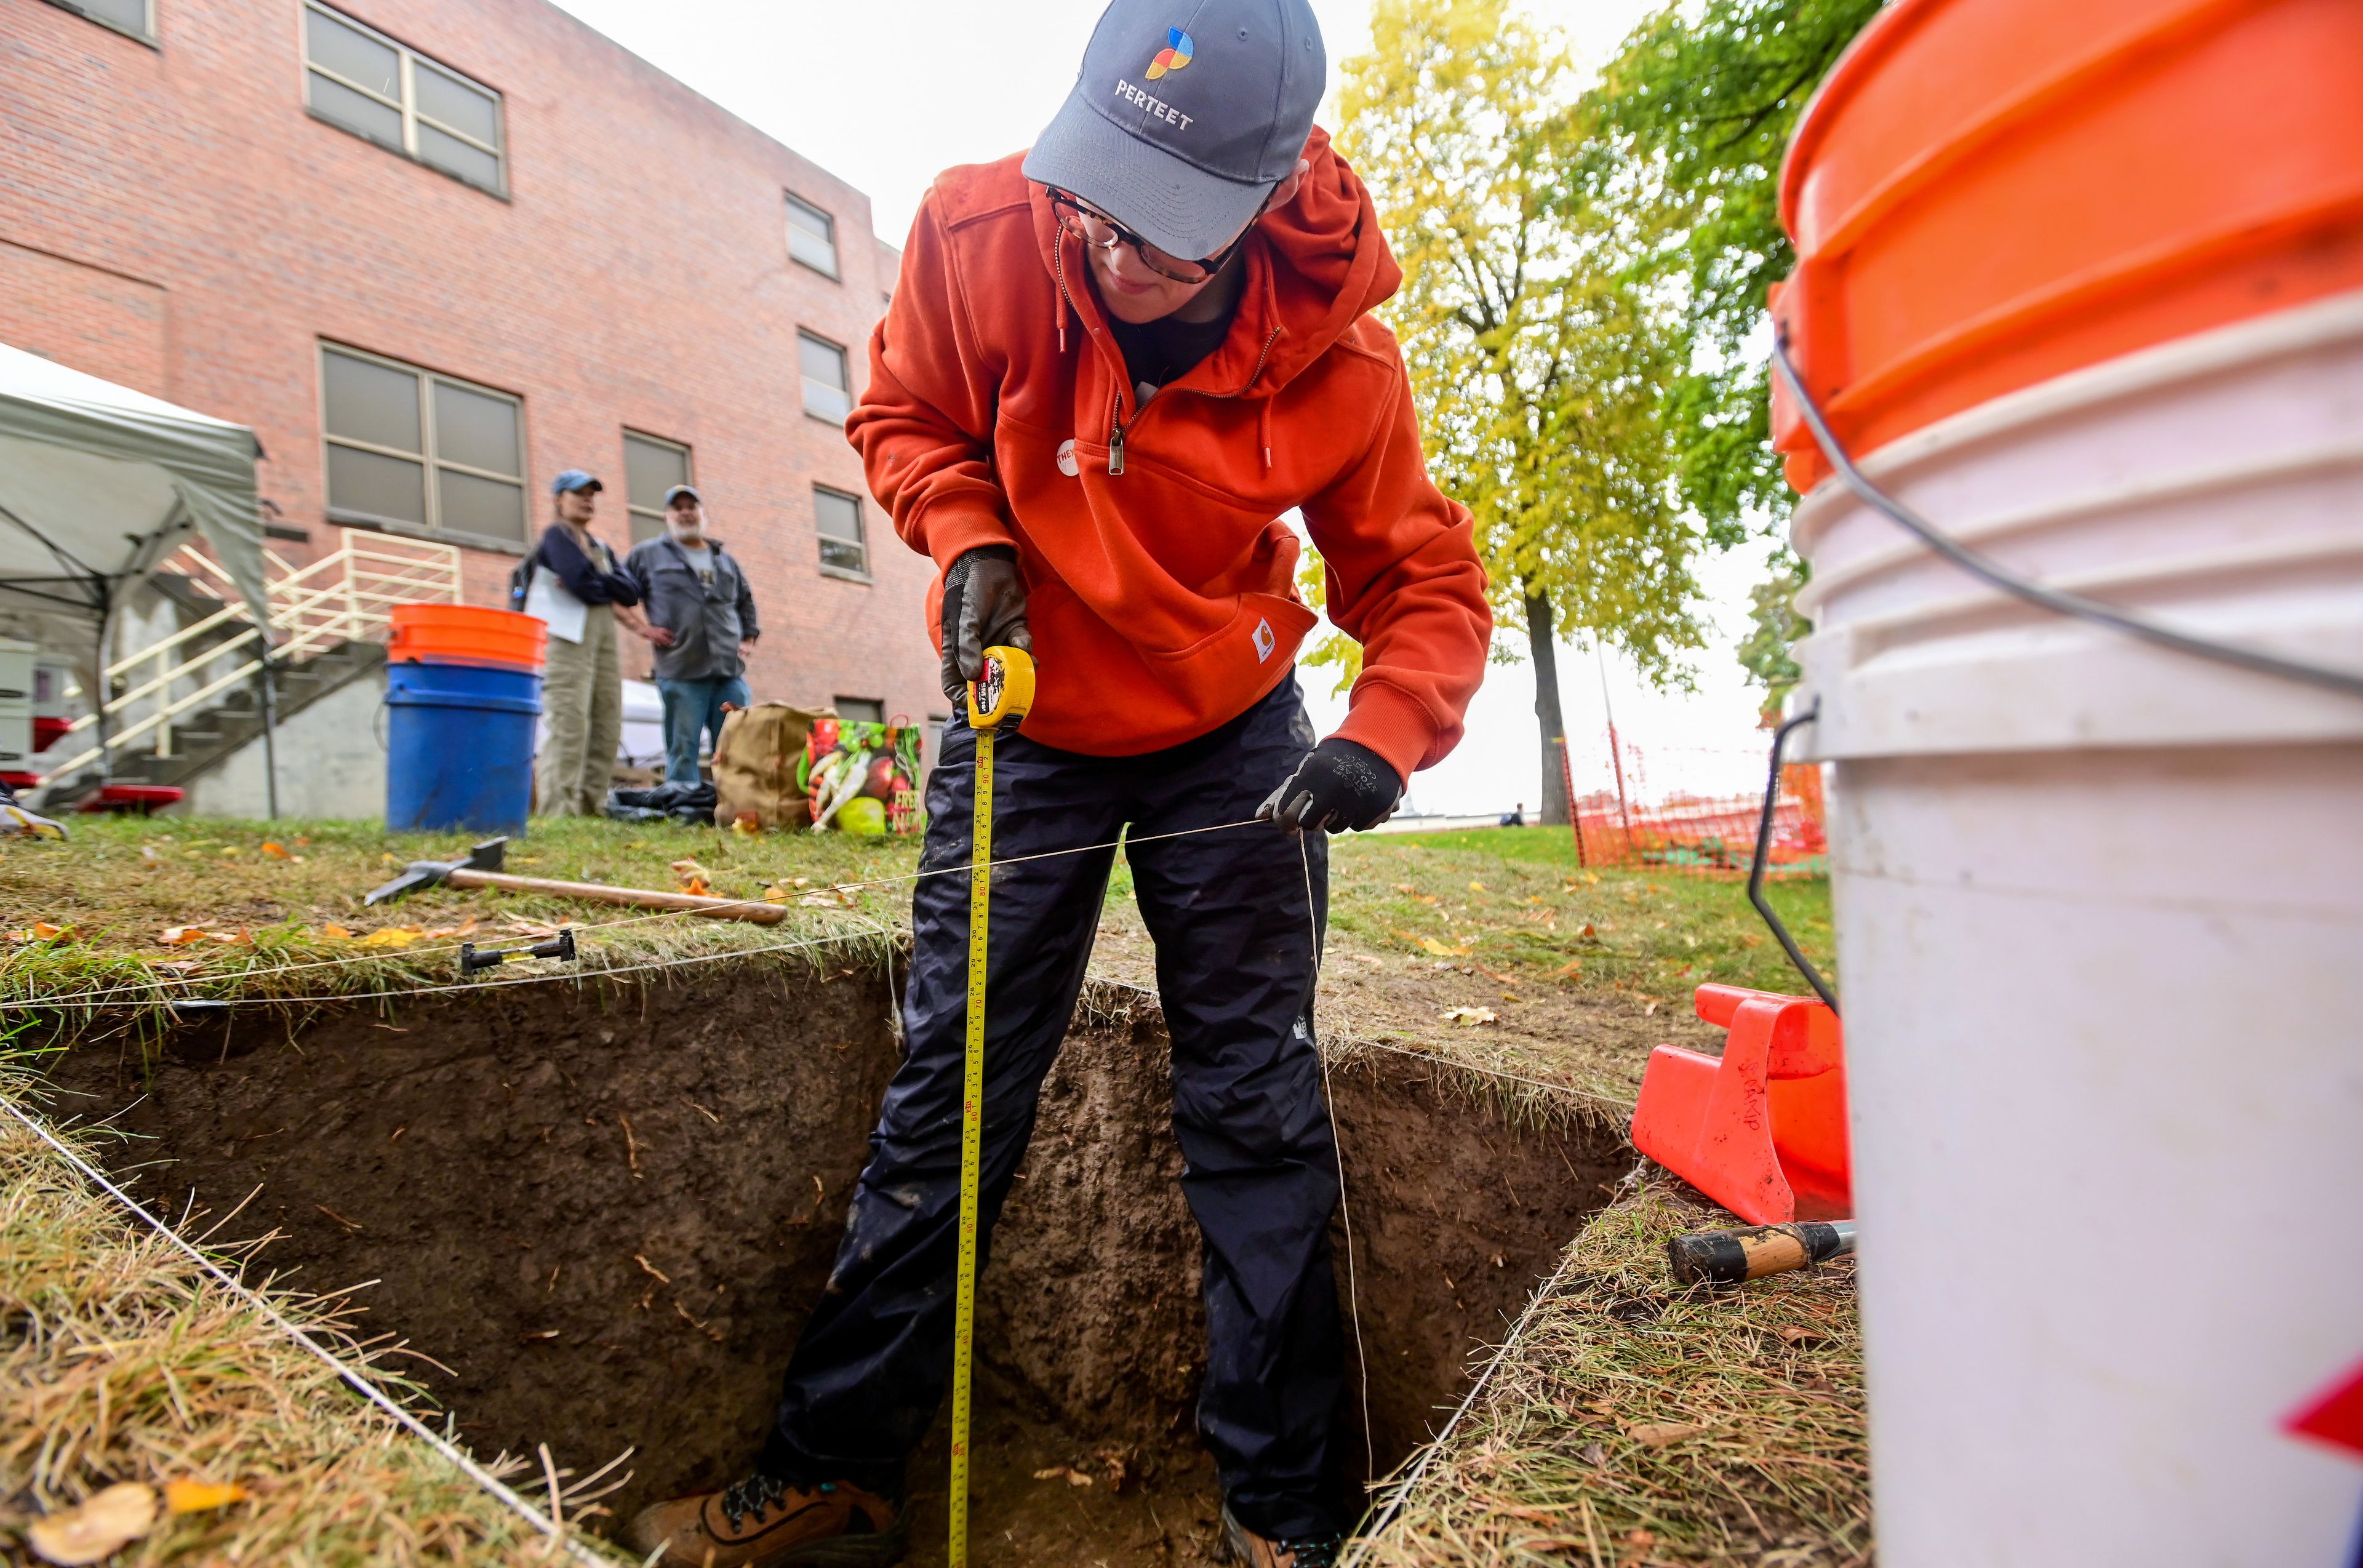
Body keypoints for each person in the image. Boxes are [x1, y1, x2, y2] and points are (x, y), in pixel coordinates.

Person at [625, 0, 1487, 1562]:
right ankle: (837, 1468)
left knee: (1255, 1109)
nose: (1102, 245)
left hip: (1229, 734)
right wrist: (968, 540)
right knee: (948, 1097)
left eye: (1157, 234)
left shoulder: (1344, 367)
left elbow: (1422, 581)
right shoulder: (981, 229)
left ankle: (1281, 1517)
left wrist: (1383, 733)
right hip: (1021, 720)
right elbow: (898, 416)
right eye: (1093, 191)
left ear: (1255, 203)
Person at [526, 470, 655, 815]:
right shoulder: (555, 537)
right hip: (566, 643)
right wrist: (603, 581)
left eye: (591, 494)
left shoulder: (601, 548)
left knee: (606, 722)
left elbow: (631, 593)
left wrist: (598, 579)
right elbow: (580, 582)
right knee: (570, 722)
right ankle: (559, 809)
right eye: (577, 493)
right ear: (559, 499)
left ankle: (591, 805)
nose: (587, 500)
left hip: (603, 646)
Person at [624, 484, 760, 785]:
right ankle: (682, 805)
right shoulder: (647, 555)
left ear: (702, 513)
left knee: (734, 746)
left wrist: (748, 638)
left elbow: (746, 602)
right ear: (667, 516)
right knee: (683, 747)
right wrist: (641, 628)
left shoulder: (725, 560)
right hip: (680, 669)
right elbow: (619, 595)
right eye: (678, 508)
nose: (686, 513)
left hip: (729, 670)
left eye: (691, 507)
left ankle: (732, 804)